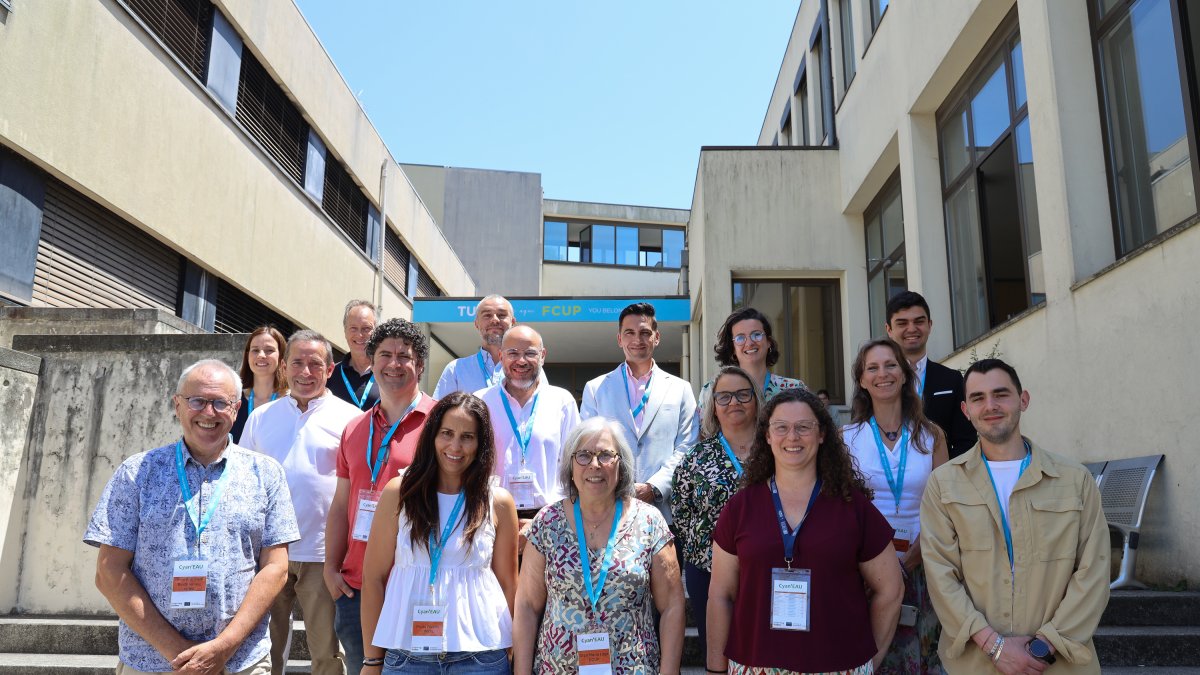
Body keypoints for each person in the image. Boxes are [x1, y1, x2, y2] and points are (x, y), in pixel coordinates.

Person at [84, 359, 300, 674]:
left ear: (236, 409)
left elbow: (276, 568)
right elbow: (108, 571)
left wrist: (223, 647)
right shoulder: (137, 472)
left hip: (240, 661)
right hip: (151, 661)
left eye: (220, 403)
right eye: (197, 401)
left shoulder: (266, 474)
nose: (208, 413)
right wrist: (180, 654)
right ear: (177, 405)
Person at [921, 359, 1109, 674]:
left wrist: (1044, 646)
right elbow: (941, 576)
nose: (990, 406)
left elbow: (1094, 570)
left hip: (1059, 664)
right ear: (966, 410)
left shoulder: (1074, 480)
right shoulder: (943, 484)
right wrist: (995, 646)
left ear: (1023, 400)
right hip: (976, 664)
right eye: (978, 398)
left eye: (1001, 394)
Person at [707, 389, 903, 675]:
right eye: (781, 427)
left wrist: (867, 662)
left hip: (840, 667)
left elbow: (891, 589)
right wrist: (715, 669)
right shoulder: (740, 508)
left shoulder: (852, 506)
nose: (792, 437)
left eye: (803, 427)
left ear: (821, 434)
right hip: (754, 666)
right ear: (767, 436)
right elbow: (720, 595)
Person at [360, 392, 519, 674]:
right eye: (447, 433)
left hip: (481, 658)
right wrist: (372, 660)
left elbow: (508, 584)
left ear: (480, 444)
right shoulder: (399, 493)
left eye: (467, 437)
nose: (455, 446)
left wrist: (513, 651)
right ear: (432, 436)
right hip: (407, 657)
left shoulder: (498, 501)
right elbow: (373, 579)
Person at [513, 417, 685, 674]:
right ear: (570, 466)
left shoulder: (649, 522)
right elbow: (526, 606)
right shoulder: (547, 522)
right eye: (583, 455)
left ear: (621, 465)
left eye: (605, 455)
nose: (594, 465)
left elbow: (672, 606)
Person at [240, 330, 361, 675]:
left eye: (315, 364)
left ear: (330, 369)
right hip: (268, 553)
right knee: (264, 650)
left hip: (323, 555)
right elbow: (242, 480)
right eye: (297, 363)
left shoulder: (351, 419)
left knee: (327, 654)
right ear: (284, 366)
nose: (305, 372)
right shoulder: (261, 417)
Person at [325, 318, 437, 674]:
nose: (394, 364)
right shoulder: (354, 428)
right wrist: (330, 568)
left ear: (420, 365)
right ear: (371, 363)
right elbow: (341, 505)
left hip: (417, 584)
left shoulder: (442, 423)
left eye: (404, 356)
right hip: (357, 588)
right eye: (385, 355)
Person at [843, 338, 948, 674]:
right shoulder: (846, 438)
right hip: (867, 567)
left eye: (890, 365)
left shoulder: (932, 435)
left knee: (924, 655)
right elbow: (843, 508)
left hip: (925, 560)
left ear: (904, 374)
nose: (882, 374)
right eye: (872, 368)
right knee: (872, 655)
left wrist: (916, 554)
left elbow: (945, 506)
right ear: (862, 380)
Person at [670, 365, 761, 660]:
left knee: (761, 649)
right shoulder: (696, 457)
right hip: (708, 571)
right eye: (724, 397)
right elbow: (681, 512)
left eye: (743, 394)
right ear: (713, 406)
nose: (734, 402)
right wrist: (706, 547)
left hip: (766, 567)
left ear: (756, 400)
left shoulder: (777, 451)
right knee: (718, 652)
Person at [580, 302, 697, 522]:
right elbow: (588, 447)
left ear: (656, 337)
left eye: (645, 333)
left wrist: (654, 487)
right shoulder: (596, 389)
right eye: (629, 333)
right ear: (619, 339)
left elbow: (687, 446)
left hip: (665, 511)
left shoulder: (680, 389)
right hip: (609, 508)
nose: (637, 340)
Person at [476, 326, 580, 531]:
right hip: (491, 517)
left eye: (530, 353)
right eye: (513, 353)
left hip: (551, 518)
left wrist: (558, 513)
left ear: (543, 356)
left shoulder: (562, 401)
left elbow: (574, 462)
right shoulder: (480, 401)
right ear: (501, 356)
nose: (521, 361)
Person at [884, 291, 976, 458]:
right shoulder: (878, 381)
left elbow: (966, 442)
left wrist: (943, 471)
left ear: (929, 325)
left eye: (919, 321)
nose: (912, 329)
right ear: (889, 329)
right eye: (902, 323)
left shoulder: (952, 380)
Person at [698, 308, 807, 418]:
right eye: (740, 338)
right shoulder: (711, 391)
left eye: (756, 335)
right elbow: (704, 428)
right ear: (733, 349)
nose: (749, 343)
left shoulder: (794, 388)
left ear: (768, 342)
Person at [434, 295, 516, 398]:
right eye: (487, 315)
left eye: (501, 315)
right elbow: (440, 408)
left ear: (512, 322)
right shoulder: (456, 369)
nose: (495, 320)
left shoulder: (526, 368)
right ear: (476, 323)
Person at [231, 326, 288, 443]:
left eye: (269, 350)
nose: (261, 355)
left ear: (281, 356)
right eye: (255, 350)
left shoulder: (292, 403)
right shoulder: (232, 400)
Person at [328, 300, 381, 411]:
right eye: (353, 328)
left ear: (376, 332)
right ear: (345, 332)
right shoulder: (329, 375)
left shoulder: (389, 374)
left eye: (366, 328)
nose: (359, 335)